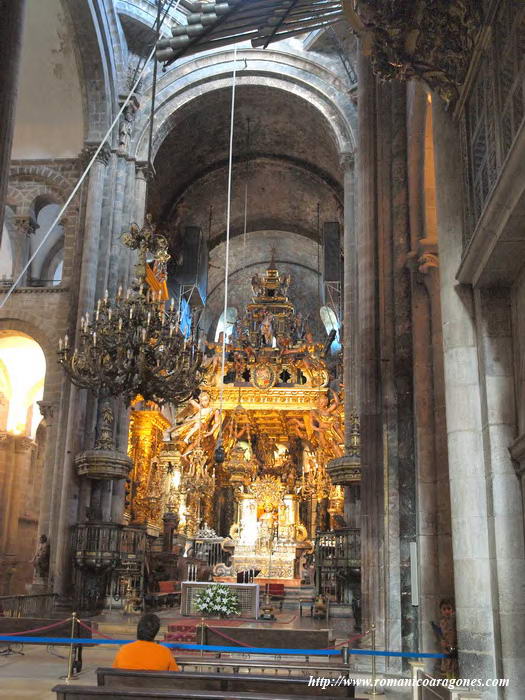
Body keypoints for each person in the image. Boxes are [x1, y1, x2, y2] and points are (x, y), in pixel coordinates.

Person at [113, 613, 179, 671]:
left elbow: (114, 672)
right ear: (155, 632)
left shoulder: (124, 650)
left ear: (138, 629)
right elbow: (176, 677)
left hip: (126, 685)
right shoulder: (165, 653)